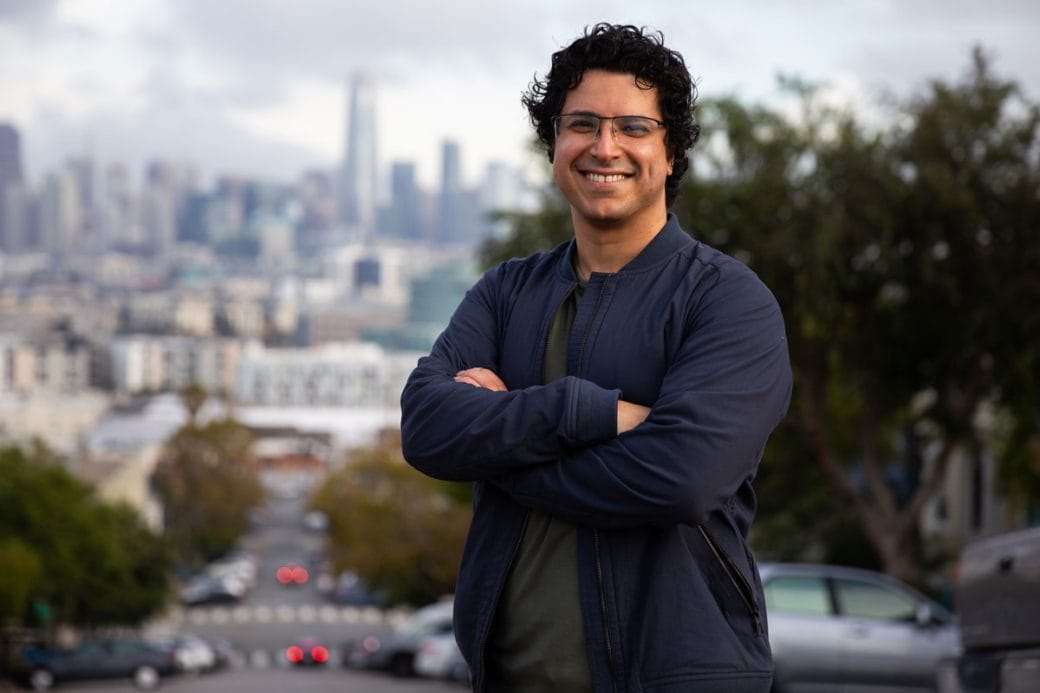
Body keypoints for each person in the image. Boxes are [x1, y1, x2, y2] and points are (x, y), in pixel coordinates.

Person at [400, 22, 792, 693]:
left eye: (634, 127)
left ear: (671, 154)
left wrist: (499, 447)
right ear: (554, 146)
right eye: (582, 123)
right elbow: (427, 426)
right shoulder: (506, 292)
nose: (604, 146)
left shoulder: (728, 301)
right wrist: (594, 412)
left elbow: (681, 478)